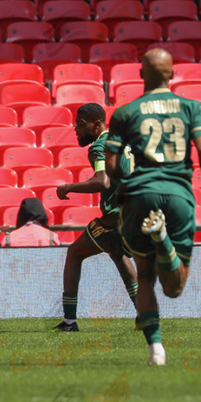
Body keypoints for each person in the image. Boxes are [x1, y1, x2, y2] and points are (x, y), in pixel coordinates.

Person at [104, 49, 201, 366]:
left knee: (145, 276)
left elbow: (113, 166)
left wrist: (130, 182)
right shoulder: (191, 108)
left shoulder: (125, 112)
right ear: (172, 74)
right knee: (175, 288)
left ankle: (156, 349)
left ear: (141, 74)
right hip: (178, 194)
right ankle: (164, 240)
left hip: (140, 194)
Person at [53, 103, 139, 332]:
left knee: (74, 254)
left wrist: (67, 188)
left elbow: (102, 181)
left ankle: (70, 322)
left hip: (116, 218)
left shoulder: (99, 147)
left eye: (81, 125)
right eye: (75, 125)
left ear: (97, 124)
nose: (76, 130)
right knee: (117, 254)